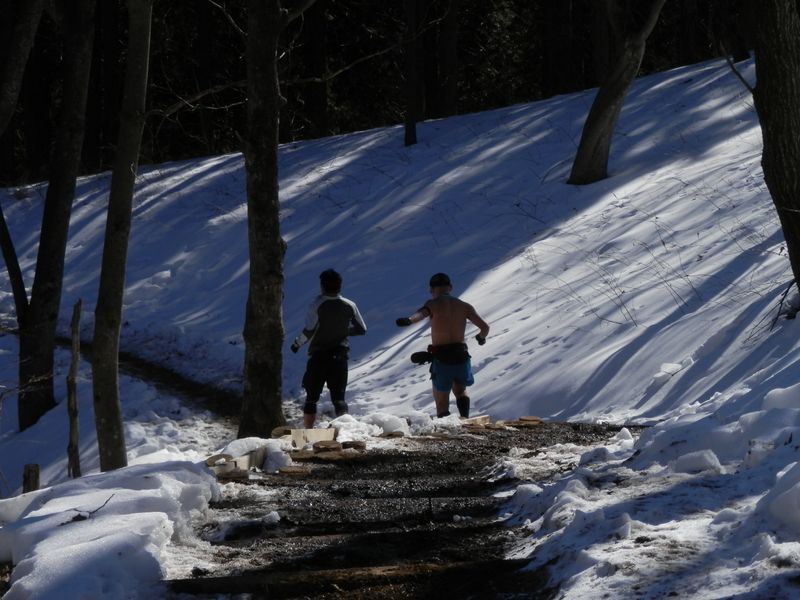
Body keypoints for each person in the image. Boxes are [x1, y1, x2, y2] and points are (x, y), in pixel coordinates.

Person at [396, 272, 490, 419]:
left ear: (431, 290)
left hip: (442, 358)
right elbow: (485, 327)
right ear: (450, 287)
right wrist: (480, 338)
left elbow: (421, 314)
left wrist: (409, 320)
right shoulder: (464, 306)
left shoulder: (433, 304)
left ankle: (447, 427)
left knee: (441, 400)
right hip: (461, 355)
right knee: (460, 390)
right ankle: (465, 420)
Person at [291, 269, 367, 428]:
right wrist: (344, 331)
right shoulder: (350, 305)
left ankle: (309, 431)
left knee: (311, 398)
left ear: (322, 286)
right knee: (339, 399)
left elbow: (309, 330)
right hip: (340, 356)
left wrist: (297, 344)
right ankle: (347, 430)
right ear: (340, 285)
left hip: (319, 357)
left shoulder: (316, 304)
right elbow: (362, 329)